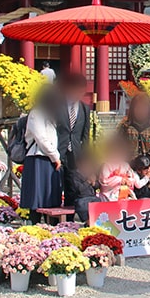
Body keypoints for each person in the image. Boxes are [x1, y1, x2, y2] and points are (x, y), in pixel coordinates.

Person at [20, 85, 64, 225]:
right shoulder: (36, 113)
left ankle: (49, 227)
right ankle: (35, 226)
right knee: (37, 199)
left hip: (49, 159)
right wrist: (55, 156)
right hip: (38, 159)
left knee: (49, 198)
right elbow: (41, 138)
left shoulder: (50, 115)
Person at [56, 73, 90, 206]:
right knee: (56, 185)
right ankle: (55, 221)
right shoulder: (57, 105)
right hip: (58, 151)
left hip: (75, 153)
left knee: (73, 187)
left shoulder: (84, 108)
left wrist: (85, 157)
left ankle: (69, 220)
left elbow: (85, 134)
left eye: (81, 91)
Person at [118, 92, 150, 198]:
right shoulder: (125, 126)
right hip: (129, 170)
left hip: (147, 168)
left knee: (148, 200)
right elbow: (117, 146)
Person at [98, 134, 150, 201]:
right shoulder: (107, 165)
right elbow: (104, 181)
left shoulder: (125, 165)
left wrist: (129, 180)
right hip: (110, 194)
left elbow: (135, 181)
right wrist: (120, 180)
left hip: (125, 193)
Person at [68, 149, 101, 222]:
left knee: (100, 203)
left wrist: (94, 183)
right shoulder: (75, 175)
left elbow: (98, 186)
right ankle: (88, 221)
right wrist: (88, 181)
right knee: (83, 206)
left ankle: (98, 221)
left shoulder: (91, 173)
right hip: (81, 199)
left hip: (93, 197)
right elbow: (78, 189)